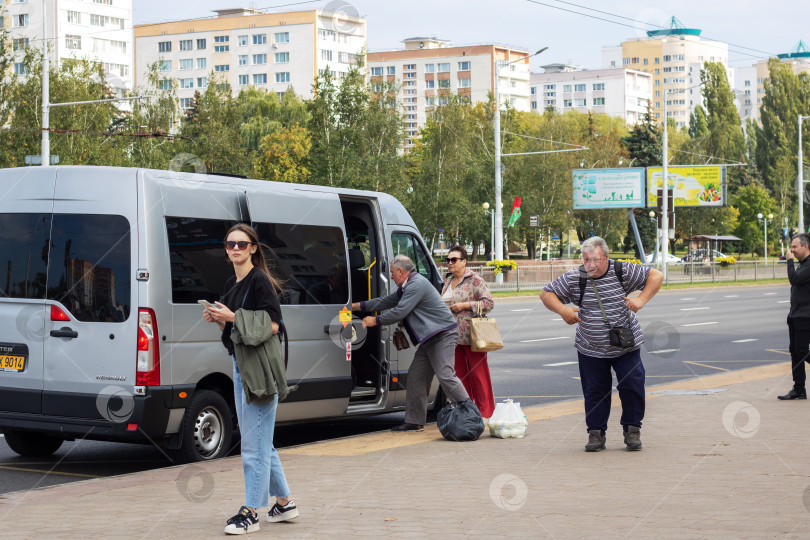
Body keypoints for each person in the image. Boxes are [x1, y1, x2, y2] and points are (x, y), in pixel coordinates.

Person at [202, 223, 299, 535]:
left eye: (242, 244)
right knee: (261, 444)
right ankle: (284, 503)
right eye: (230, 244)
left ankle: (251, 513)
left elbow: (272, 324)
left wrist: (232, 317)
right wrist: (219, 320)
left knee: (253, 448)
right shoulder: (233, 282)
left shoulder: (259, 281)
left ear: (254, 248)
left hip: (258, 371)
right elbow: (237, 331)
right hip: (240, 365)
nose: (235, 249)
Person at [540, 236, 663, 452]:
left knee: (632, 386)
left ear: (605, 257)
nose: (590, 265)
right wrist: (563, 311)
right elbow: (546, 293)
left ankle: (632, 429)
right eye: (586, 259)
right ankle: (596, 434)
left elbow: (656, 275)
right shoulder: (576, 277)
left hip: (625, 345)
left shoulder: (621, 271)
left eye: (595, 259)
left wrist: (641, 300)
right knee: (595, 391)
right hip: (590, 347)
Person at [351, 254, 470, 432]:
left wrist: (374, 321)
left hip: (443, 335)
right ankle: (415, 421)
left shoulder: (416, 285)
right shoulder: (407, 286)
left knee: (445, 375)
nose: (390, 276)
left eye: (392, 273)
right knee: (416, 378)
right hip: (429, 338)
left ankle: (469, 412)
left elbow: (399, 312)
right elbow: (385, 302)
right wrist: (354, 306)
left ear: (401, 271)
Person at [441, 245, 496, 419]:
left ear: (464, 262)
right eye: (448, 260)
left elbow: (489, 304)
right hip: (451, 336)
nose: (450, 263)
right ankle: (466, 411)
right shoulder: (448, 281)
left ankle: (485, 412)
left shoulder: (474, 279)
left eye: (454, 260)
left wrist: (466, 305)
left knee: (479, 375)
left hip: (472, 335)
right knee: (459, 375)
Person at [778, 233, 810, 400]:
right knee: (796, 353)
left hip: (806, 315)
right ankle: (799, 389)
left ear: (806, 247)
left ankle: (799, 389)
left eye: (795, 246)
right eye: (791, 246)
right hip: (796, 315)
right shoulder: (803, 264)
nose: (791, 250)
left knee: (802, 351)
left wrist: (789, 261)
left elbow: (794, 279)